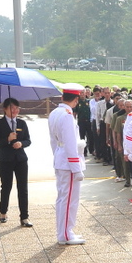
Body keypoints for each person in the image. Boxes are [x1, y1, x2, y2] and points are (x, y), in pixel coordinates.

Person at [49, 83, 86, 245]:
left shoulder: (55, 113)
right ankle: (65, 233)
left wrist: (57, 156)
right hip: (68, 163)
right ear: (76, 99)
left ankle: (65, 231)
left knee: (63, 198)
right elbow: (71, 144)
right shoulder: (67, 115)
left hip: (60, 158)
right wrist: (76, 168)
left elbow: (53, 141)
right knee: (69, 199)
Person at [0, 97, 32, 227]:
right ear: (5, 109)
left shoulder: (22, 123)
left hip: (21, 159)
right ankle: (3, 212)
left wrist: (21, 143)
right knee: (6, 187)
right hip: (5, 160)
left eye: (17, 108)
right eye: (12, 108)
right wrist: (8, 139)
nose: (15, 110)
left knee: (23, 188)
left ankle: (24, 217)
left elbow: (28, 140)